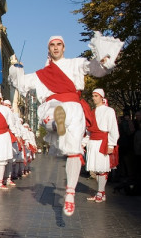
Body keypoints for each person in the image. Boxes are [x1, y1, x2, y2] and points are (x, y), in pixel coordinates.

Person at [8, 33, 123, 216]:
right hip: (55, 105)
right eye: (52, 44)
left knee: (75, 152)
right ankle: (54, 123)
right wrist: (15, 70)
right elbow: (21, 82)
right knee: (51, 115)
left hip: (74, 108)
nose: (55, 47)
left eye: (59, 44)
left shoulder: (75, 63)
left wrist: (104, 61)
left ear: (64, 47)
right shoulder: (41, 74)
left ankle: (70, 192)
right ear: (48, 49)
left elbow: (94, 67)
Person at [84, 89, 119, 202]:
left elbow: (113, 128)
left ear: (101, 97)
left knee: (102, 167)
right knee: (97, 169)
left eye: (96, 96)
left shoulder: (109, 111)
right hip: (93, 142)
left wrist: (111, 144)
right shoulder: (92, 112)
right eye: (93, 96)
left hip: (103, 141)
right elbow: (88, 130)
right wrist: (84, 142)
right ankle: (101, 193)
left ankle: (100, 192)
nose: (93, 98)